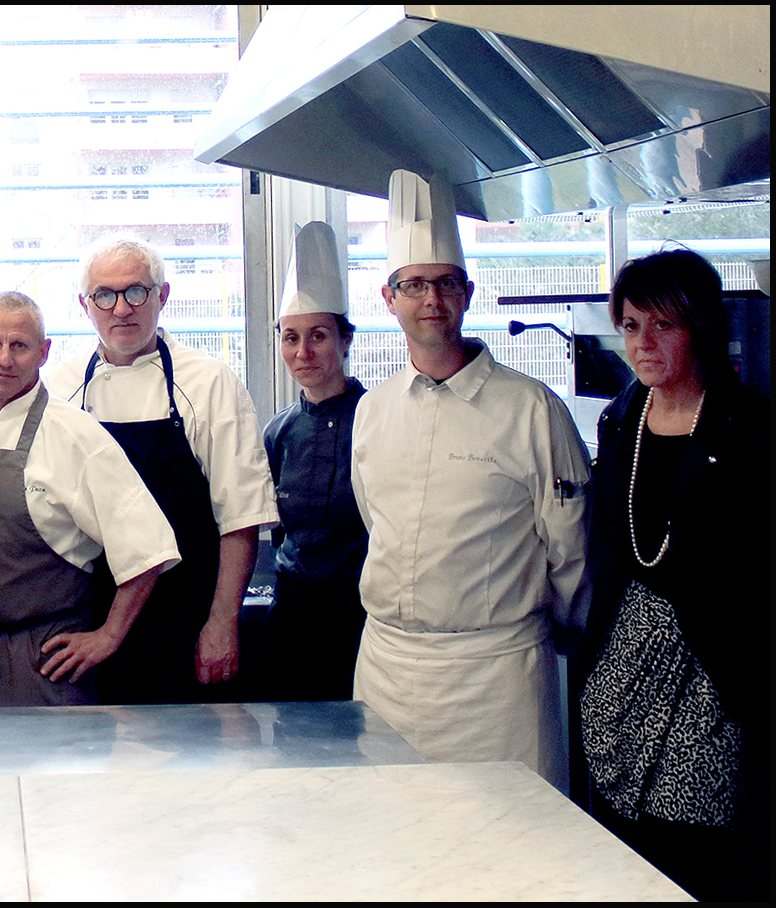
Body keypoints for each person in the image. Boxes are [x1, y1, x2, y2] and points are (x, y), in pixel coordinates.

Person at [350, 169, 590, 792]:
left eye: (446, 283)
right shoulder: (373, 410)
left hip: (497, 678)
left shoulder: (532, 409)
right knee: (393, 833)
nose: (431, 298)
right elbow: (376, 520)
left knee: (514, 837)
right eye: (414, 285)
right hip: (387, 671)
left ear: (468, 293)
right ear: (389, 298)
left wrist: (557, 624)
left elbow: (571, 547)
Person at [573, 249, 768, 900]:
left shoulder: (751, 428)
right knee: (618, 851)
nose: (643, 343)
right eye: (631, 326)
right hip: (624, 656)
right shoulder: (620, 421)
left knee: (692, 845)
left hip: (714, 662)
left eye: (663, 325)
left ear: (701, 328)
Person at [42, 236, 278, 704]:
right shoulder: (58, 386)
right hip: (86, 622)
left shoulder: (209, 382)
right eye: (104, 295)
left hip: (187, 619)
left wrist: (222, 623)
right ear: (85, 305)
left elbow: (241, 517)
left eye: (136, 291)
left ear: (162, 296)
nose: (121, 308)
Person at [0, 292, 179, 707]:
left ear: (43, 352)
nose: (4, 359)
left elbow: (148, 550)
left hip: (45, 664)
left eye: (19, 346)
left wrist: (107, 637)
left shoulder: (76, 436)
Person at [259, 221, 368, 701]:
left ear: (345, 341)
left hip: (362, 617)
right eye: (291, 338)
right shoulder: (278, 432)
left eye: (318, 336)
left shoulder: (377, 419)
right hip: (292, 616)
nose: (303, 352)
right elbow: (279, 531)